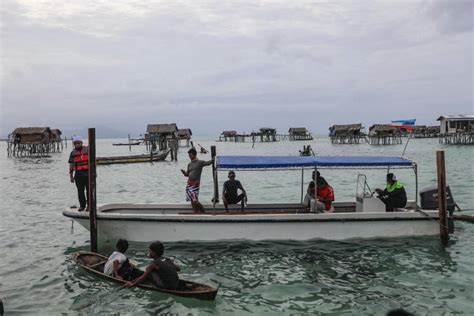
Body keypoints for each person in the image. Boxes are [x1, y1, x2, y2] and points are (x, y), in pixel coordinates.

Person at [180, 148, 213, 213]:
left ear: (194, 154)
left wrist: (214, 159)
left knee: (195, 200)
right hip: (189, 183)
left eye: (190, 155)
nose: (189, 156)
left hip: (195, 183)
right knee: (191, 200)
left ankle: (203, 212)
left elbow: (208, 163)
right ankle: (195, 212)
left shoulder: (200, 162)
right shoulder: (189, 164)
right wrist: (184, 173)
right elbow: (187, 174)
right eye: (188, 155)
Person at [68, 135, 89, 211]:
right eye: (75, 143)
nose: (77, 145)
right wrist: (71, 176)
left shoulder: (88, 149)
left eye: (78, 143)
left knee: (89, 190)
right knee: (80, 191)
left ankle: (89, 206)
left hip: (88, 173)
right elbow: (71, 165)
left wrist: (94, 174)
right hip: (78, 174)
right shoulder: (72, 153)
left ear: (81, 143)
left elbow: (93, 162)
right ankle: (82, 206)